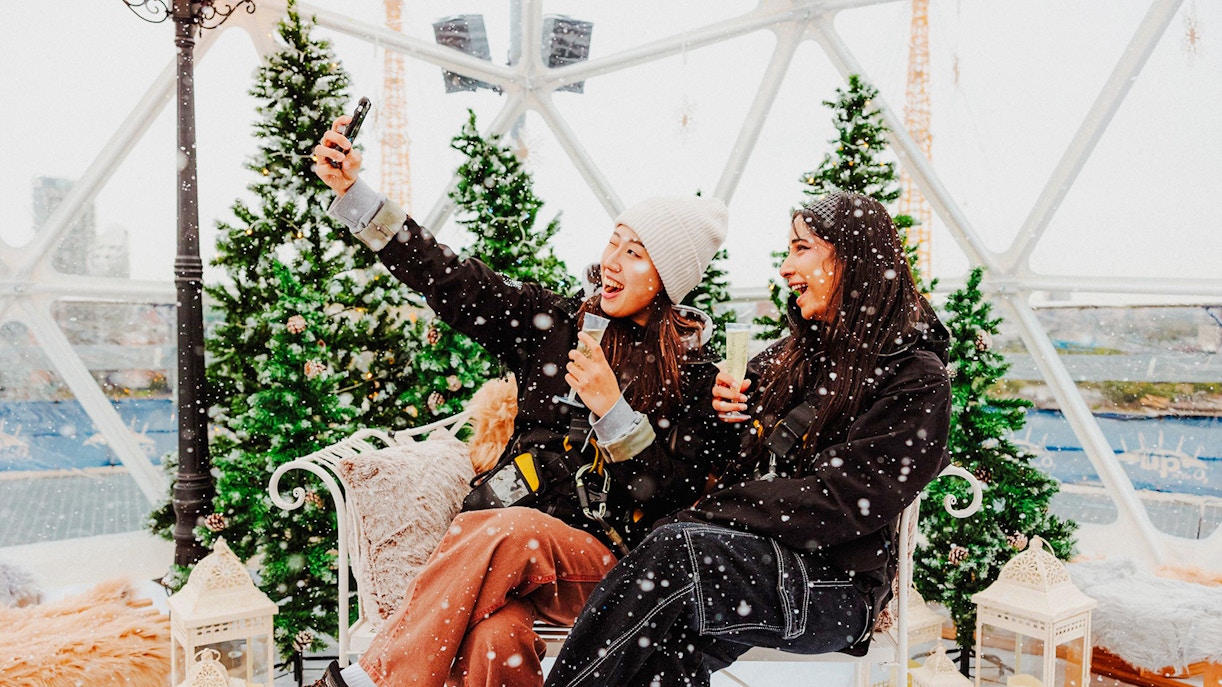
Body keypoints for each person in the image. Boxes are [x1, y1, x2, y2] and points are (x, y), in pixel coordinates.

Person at [310, 116, 732, 687]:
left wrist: (613, 412)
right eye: (614, 240)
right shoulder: (553, 325)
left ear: (669, 277)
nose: (612, 259)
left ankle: (374, 679)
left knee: (513, 531)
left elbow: (671, 499)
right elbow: (448, 277)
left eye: (635, 253)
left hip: (609, 573)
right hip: (503, 552)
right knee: (495, 635)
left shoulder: (694, 376)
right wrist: (354, 196)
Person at [543, 192, 953, 687]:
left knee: (677, 549)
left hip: (835, 587)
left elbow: (844, 502)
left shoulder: (914, 379)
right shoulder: (792, 357)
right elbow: (712, 462)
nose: (785, 267)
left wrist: (710, 512)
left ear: (852, 260)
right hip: (759, 561)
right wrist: (726, 419)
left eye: (802, 249)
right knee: (669, 652)